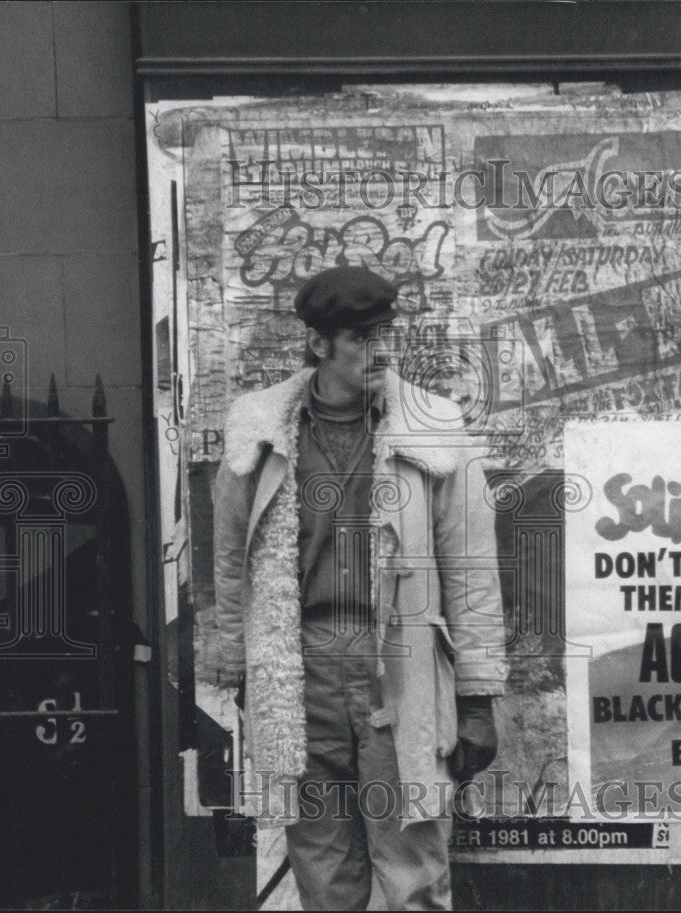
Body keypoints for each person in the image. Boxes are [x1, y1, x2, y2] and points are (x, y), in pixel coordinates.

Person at [211, 266, 508, 910]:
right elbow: (231, 564)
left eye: (387, 334)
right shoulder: (258, 429)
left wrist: (479, 698)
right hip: (299, 669)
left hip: (398, 666)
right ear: (320, 344)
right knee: (322, 869)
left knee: (413, 874)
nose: (382, 351)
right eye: (362, 337)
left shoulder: (433, 425)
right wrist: (240, 669)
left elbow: (472, 570)